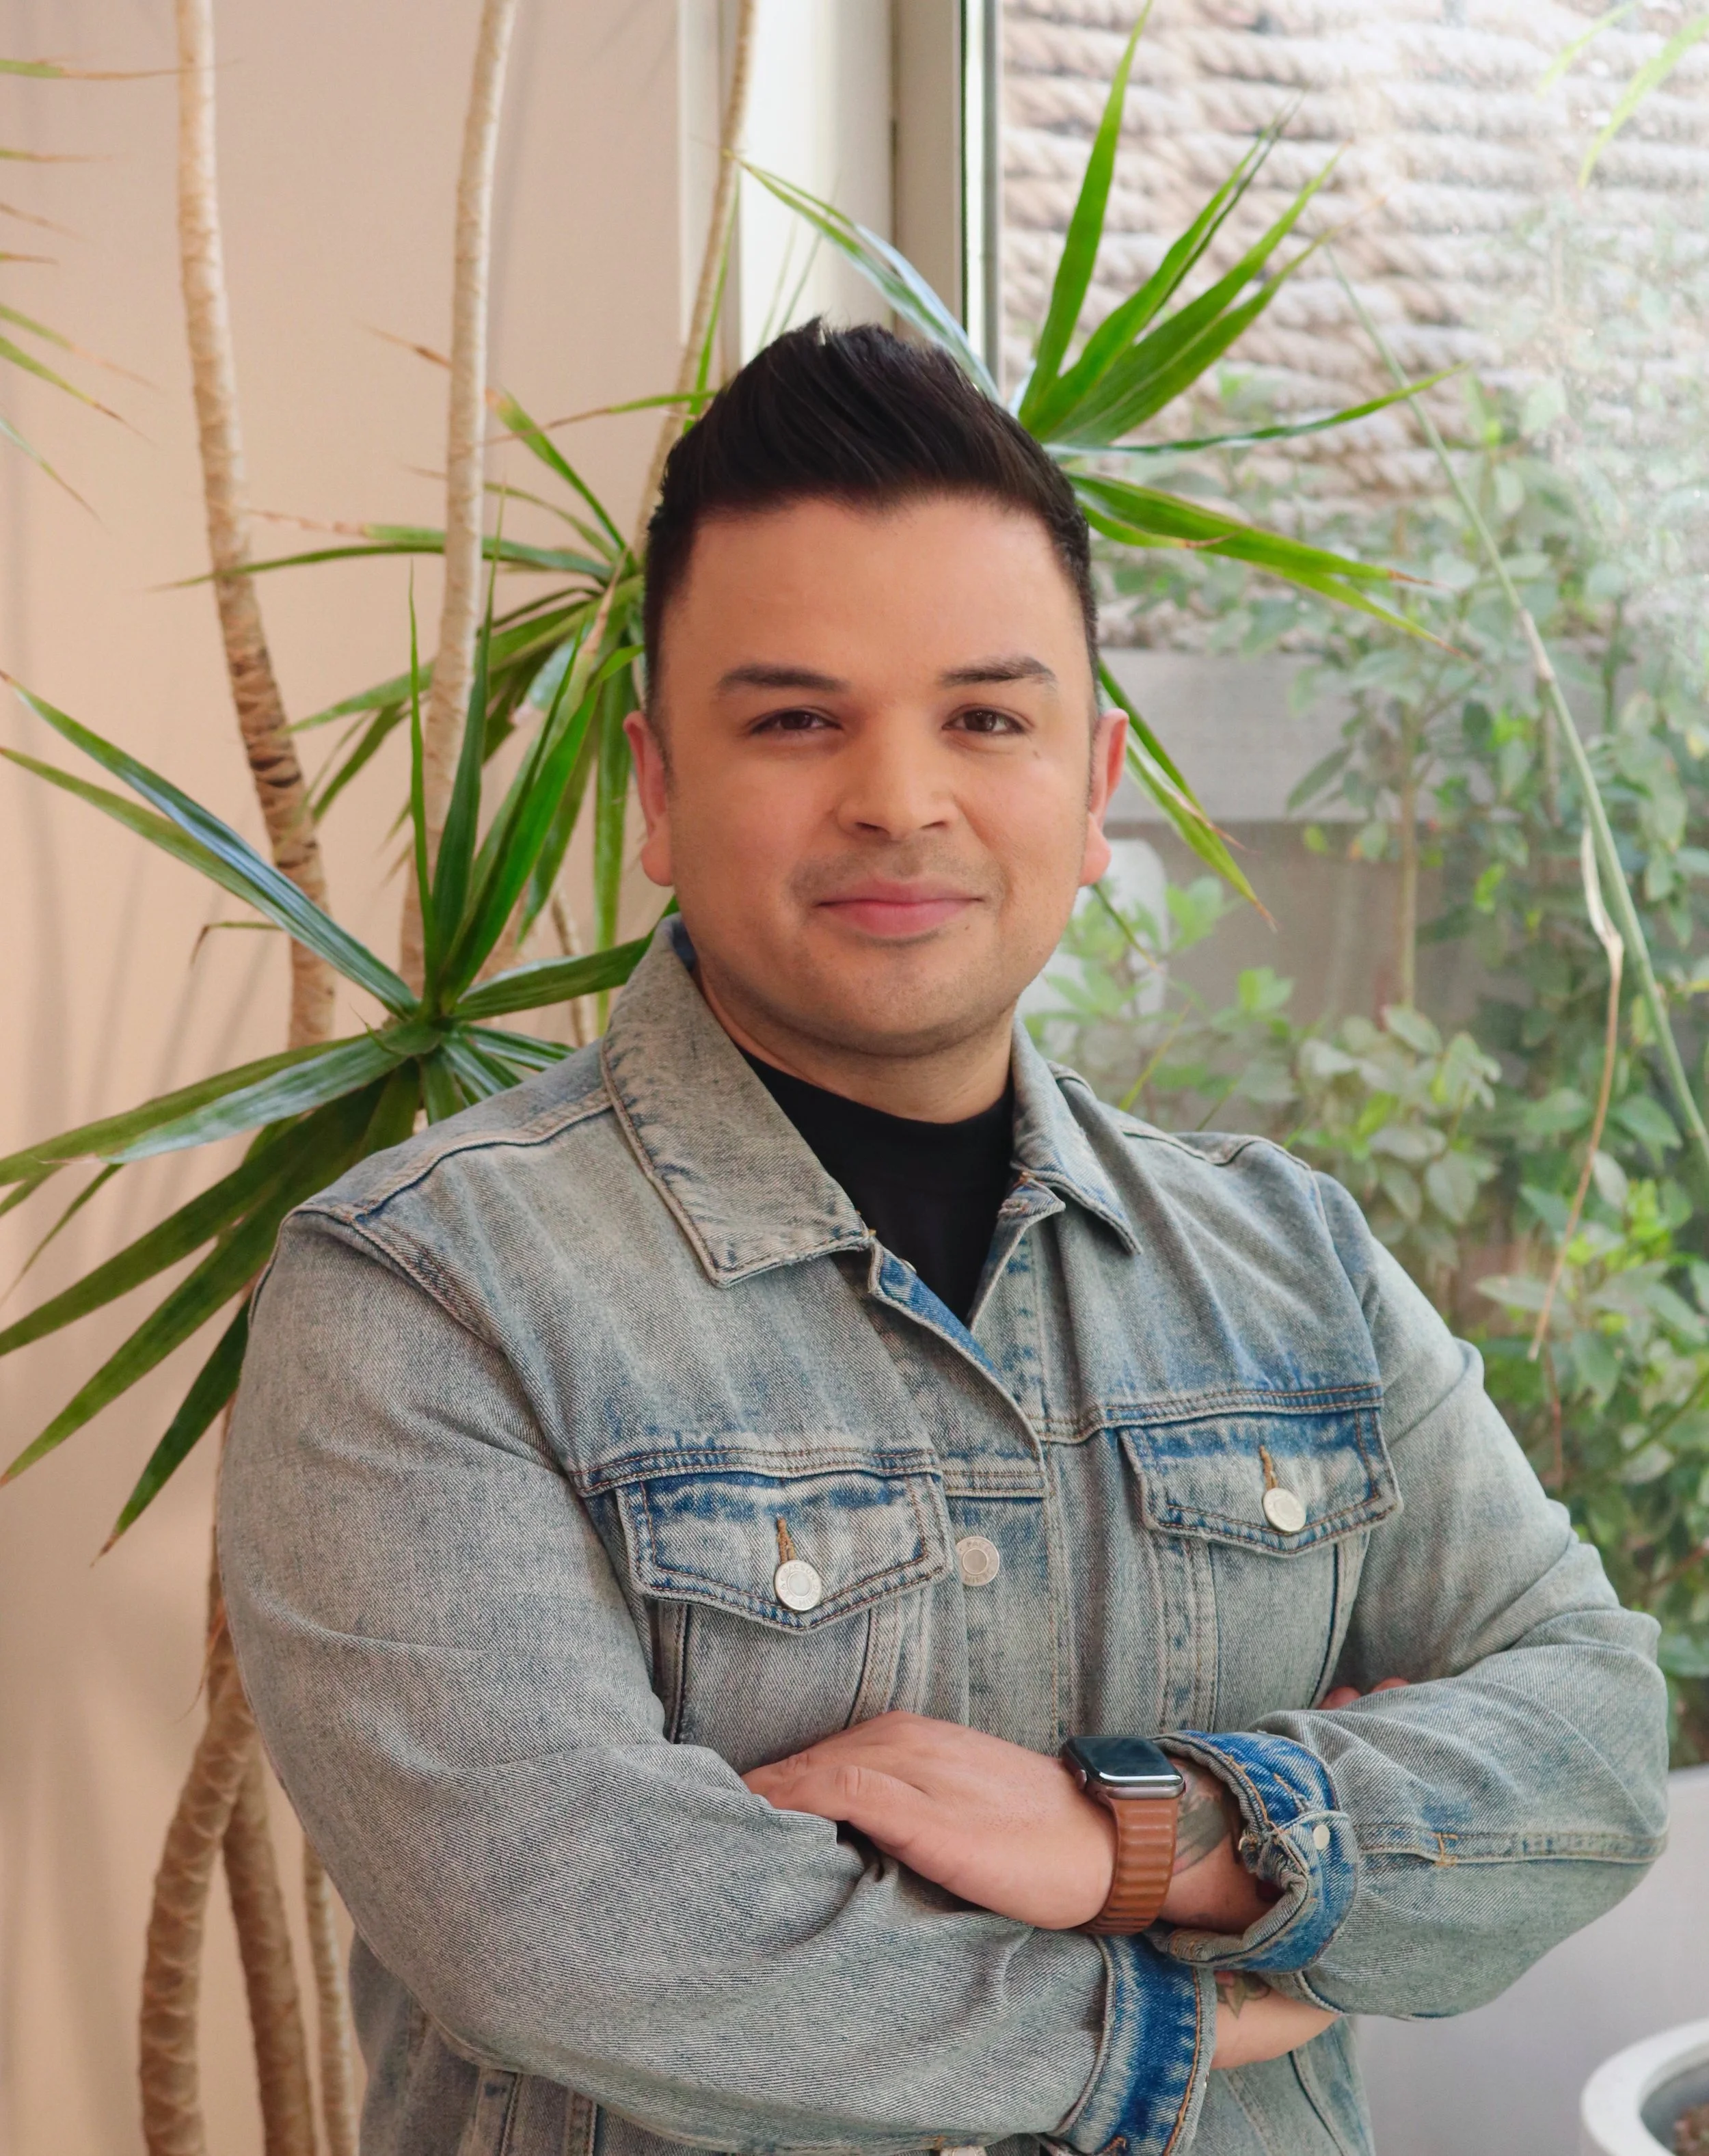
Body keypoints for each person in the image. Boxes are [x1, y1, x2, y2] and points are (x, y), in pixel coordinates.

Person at [220, 320, 1669, 2156]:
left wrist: (1144, 1836)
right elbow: (576, 1937)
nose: (898, 798)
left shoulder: (1288, 1259)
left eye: (985, 717)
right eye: (796, 718)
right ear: (659, 788)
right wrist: (1191, 2011)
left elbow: (1592, 1733)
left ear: (1094, 788)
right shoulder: (423, 1294)